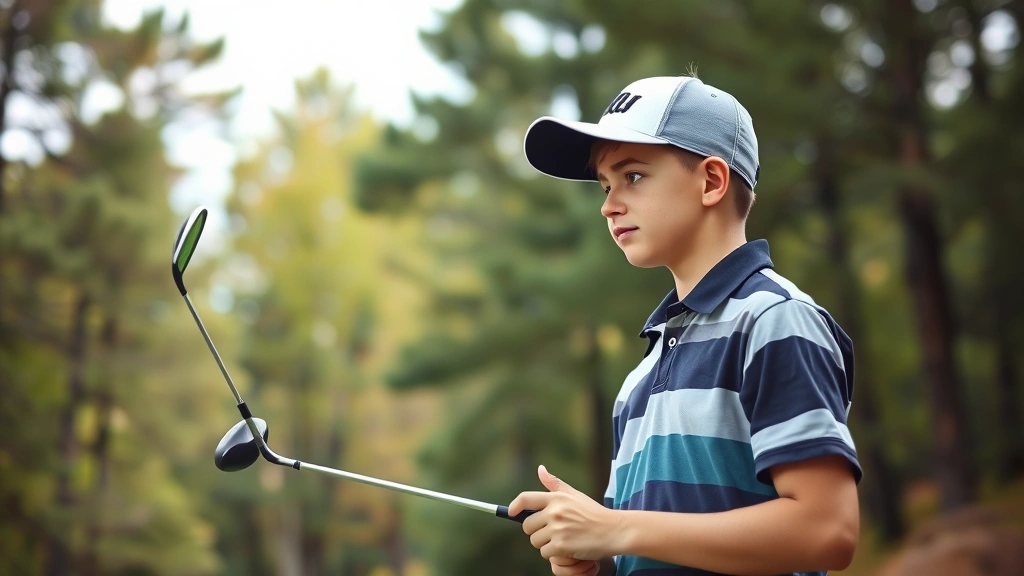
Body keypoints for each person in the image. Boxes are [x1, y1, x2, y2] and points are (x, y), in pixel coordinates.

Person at [507, 74, 862, 576]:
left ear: (712, 182)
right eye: (606, 186)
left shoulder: (774, 320)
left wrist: (614, 528)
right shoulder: (640, 379)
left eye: (632, 176)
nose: (608, 205)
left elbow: (829, 530)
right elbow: (646, 554)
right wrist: (591, 561)